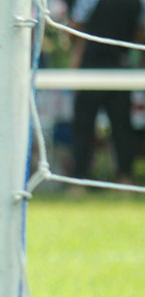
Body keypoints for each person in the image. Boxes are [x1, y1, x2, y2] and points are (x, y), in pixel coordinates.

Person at [67, 0, 145, 191]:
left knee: (84, 127)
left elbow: (75, 29)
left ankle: (78, 182)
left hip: (93, 66)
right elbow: (141, 33)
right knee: (122, 127)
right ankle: (124, 180)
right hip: (121, 66)